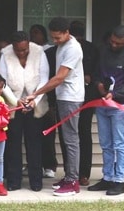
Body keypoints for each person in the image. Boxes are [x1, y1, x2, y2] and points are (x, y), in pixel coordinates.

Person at [24, 17, 84, 196]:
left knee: (71, 140)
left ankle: (73, 181)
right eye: (53, 38)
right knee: (66, 139)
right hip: (63, 97)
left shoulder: (73, 49)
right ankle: (68, 177)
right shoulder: (62, 46)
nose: (55, 41)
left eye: (58, 38)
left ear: (67, 32)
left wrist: (36, 93)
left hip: (71, 98)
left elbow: (59, 78)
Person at [87, 25, 124, 196]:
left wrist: (114, 93)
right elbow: (96, 74)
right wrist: (99, 85)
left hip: (121, 106)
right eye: (112, 42)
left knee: (120, 143)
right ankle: (108, 177)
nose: (114, 45)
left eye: (119, 43)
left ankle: (119, 180)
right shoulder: (103, 52)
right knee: (105, 143)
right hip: (102, 104)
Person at [0, 31, 50, 191]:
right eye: (18, 50)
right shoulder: (5, 54)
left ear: (28, 44)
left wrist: (35, 99)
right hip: (13, 104)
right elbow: (2, 81)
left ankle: (36, 182)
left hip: (35, 102)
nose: (21, 53)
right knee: (13, 143)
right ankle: (13, 181)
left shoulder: (39, 52)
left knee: (34, 142)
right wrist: (15, 101)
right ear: (12, 46)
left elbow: (44, 78)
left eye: (24, 50)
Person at [68, 21, 98, 186]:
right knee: (74, 134)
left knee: (81, 133)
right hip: (71, 96)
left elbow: (97, 71)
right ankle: (73, 172)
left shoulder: (91, 49)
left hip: (87, 97)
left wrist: (90, 77)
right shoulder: (65, 48)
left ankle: (82, 173)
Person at [31, 23, 58, 179]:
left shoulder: (50, 51)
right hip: (33, 97)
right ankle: (36, 165)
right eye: (31, 33)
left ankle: (50, 165)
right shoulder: (29, 51)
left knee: (48, 133)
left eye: (37, 33)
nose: (34, 36)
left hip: (48, 97)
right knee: (34, 133)